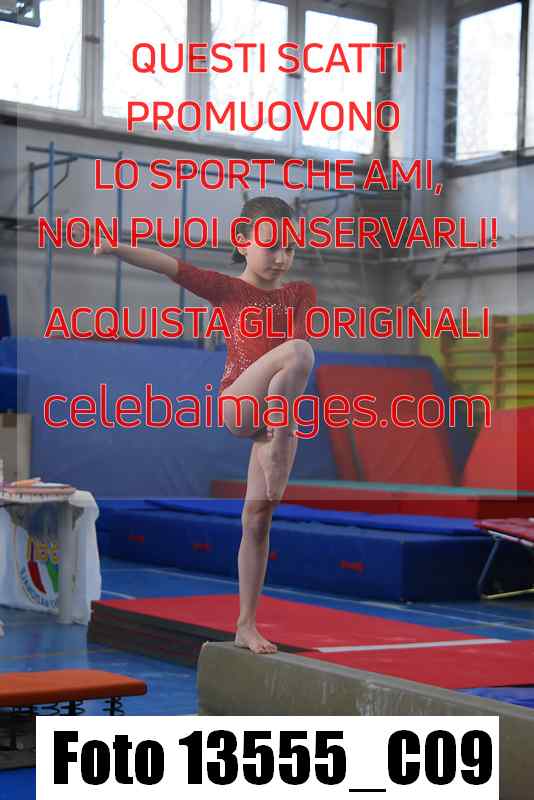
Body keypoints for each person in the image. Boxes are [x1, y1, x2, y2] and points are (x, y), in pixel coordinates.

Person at [86, 196, 316, 654]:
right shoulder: (225, 289)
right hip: (238, 402)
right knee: (299, 351)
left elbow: (288, 368)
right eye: (271, 246)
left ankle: (246, 625)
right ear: (243, 242)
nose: (281, 257)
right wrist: (116, 247)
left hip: (276, 409)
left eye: (289, 247)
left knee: (257, 519)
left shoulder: (300, 293)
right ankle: (282, 432)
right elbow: (168, 266)